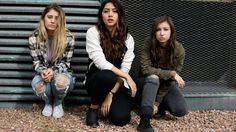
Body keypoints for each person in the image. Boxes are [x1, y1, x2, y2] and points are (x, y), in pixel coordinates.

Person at [85, 0, 137, 128]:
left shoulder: (128, 39)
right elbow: (101, 63)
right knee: (107, 75)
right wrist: (127, 76)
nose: (110, 15)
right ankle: (93, 107)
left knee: (121, 119)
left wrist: (111, 94)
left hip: (116, 84)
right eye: (106, 11)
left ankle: (107, 102)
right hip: (96, 80)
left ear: (120, 15)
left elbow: (125, 67)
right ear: (101, 15)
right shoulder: (93, 32)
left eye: (114, 11)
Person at [136, 16, 188, 132]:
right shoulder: (148, 43)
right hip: (146, 82)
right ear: (154, 32)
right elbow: (146, 70)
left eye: (165, 29)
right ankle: (144, 121)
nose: (162, 33)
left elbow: (170, 81)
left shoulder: (179, 50)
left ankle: (159, 106)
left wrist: (157, 101)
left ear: (171, 31)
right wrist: (171, 73)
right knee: (153, 78)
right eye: (158, 30)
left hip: (165, 84)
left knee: (180, 110)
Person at [29, 3, 75, 118]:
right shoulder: (33, 38)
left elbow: (66, 63)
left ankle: (58, 103)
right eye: (49, 17)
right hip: (43, 74)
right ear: (43, 18)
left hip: (62, 73)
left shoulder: (68, 38)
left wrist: (52, 71)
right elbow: (36, 63)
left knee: (61, 81)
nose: (53, 21)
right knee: (38, 85)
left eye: (57, 18)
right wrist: (43, 72)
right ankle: (48, 103)